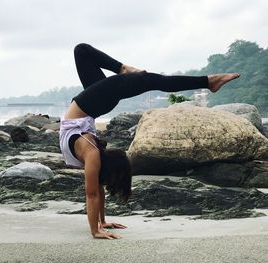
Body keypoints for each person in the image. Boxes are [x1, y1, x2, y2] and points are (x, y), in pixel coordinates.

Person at [59, 43, 239, 239]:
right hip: (90, 107)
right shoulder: (92, 155)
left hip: (89, 106)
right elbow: (96, 190)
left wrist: (97, 229)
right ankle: (207, 81)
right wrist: (99, 224)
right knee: (90, 55)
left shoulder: (92, 154)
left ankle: (207, 82)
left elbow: (93, 193)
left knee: (85, 52)